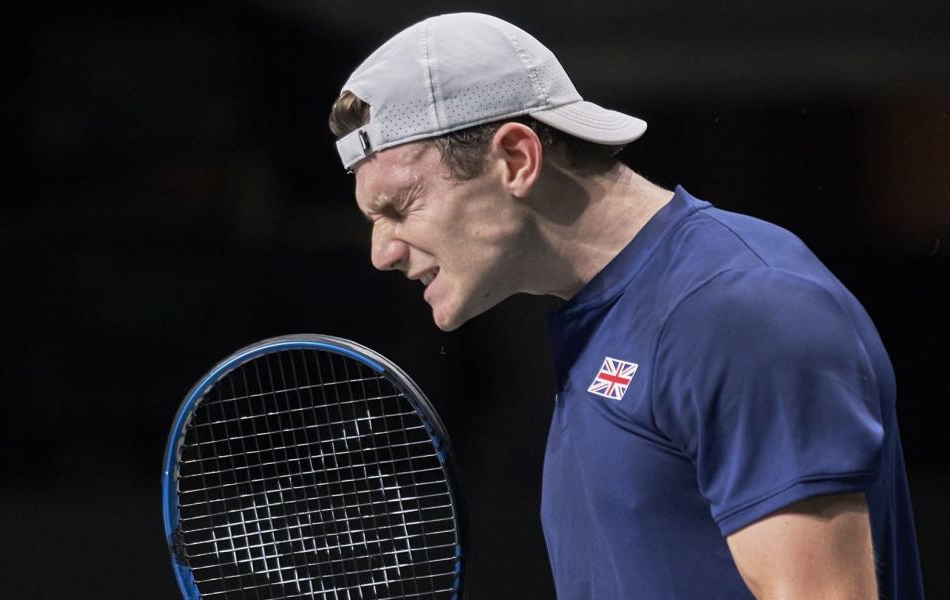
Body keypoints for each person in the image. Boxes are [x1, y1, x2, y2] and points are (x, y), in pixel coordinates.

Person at [328, 12, 924, 599]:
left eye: (400, 207)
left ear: (516, 158)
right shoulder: (613, 320)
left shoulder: (739, 312)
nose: (382, 252)